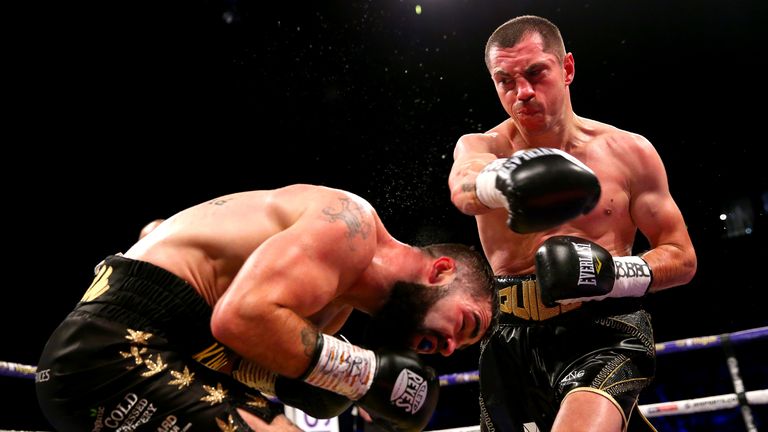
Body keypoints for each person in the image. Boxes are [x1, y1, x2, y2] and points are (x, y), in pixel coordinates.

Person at [35, 184, 496, 432]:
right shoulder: (348, 224)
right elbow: (238, 317)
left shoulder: (334, 308)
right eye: (465, 323)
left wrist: (308, 383)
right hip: (109, 349)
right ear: (440, 271)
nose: (450, 347)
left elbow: (230, 353)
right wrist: (360, 374)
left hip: (168, 352)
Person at [445, 15, 697, 432]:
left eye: (535, 73)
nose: (522, 92)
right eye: (504, 80)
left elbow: (681, 256)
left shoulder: (629, 153)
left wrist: (611, 274)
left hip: (603, 330)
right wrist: (504, 182)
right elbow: (464, 188)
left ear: (566, 69)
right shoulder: (483, 147)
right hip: (510, 338)